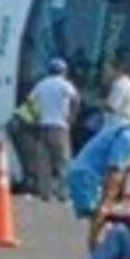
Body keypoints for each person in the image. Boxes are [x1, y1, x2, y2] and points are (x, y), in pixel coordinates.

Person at [67, 113, 130, 249]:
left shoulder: (124, 129)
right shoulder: (128, 139)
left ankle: (96, 248)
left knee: (101, 214)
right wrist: (108, 198)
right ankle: (95, 251)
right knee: (102, 211)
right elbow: (115, 170)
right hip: (87, 174)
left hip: (84, 171)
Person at [28, 58, 79, 201]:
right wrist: (72, 117)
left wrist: (36, 117)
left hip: (44, 126)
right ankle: (63, 193)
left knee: (44, 161)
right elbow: (75, 99)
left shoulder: (42, 84)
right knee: (63, 161)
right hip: (60, 127)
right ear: (64, 71)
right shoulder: (65, 84)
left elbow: (30, 102)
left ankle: (45, 193)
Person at [5, 93, 41, 195]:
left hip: (17, 123)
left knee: (25, 157)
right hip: (21, 125)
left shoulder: (42, 96)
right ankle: (29, 186)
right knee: (29, 157)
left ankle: (27, 184)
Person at [103, 56, 130, 127]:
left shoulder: (120, 85)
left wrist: (102, 103)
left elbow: (111, 107)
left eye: (108, 70)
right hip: (128, 123)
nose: (106, 73)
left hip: (117, 124)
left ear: (118, 71)